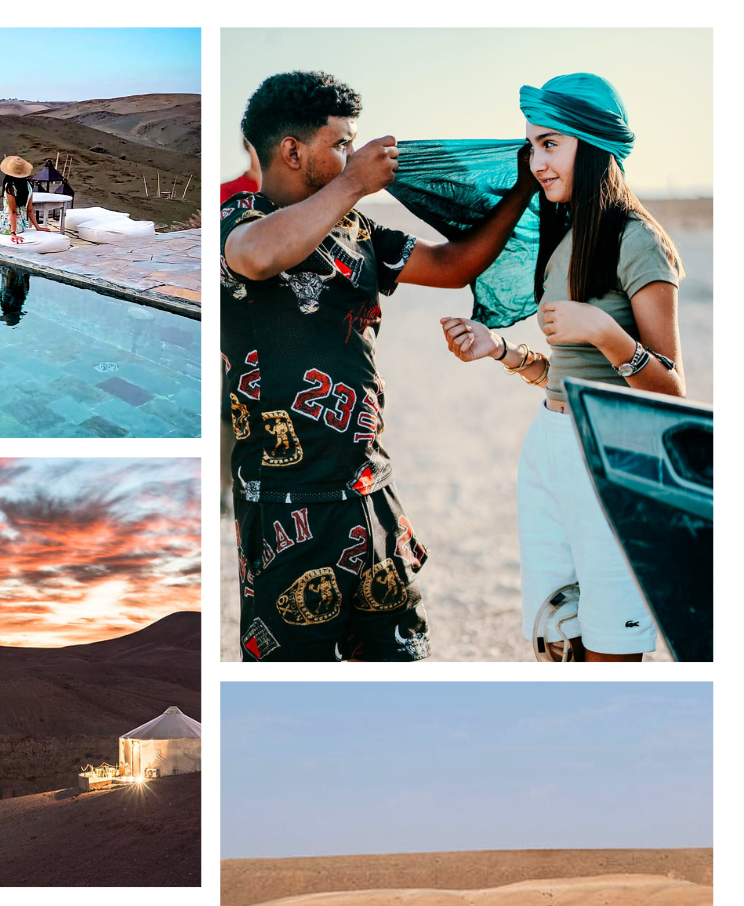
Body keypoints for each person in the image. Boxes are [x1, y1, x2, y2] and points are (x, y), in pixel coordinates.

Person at [221, 70, 538, 662]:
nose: (350, 155)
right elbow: (260, 255)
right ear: (291, 150)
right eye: (340, 143)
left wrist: (520, 190)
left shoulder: (358, 229)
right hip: (286, 501)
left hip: (370, 490)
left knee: (398, 664)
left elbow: (452, 264)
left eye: (351, 145)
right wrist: (355, 181)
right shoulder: (238, 220)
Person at [441, 73, 685, 662]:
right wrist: (499, 350)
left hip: (610, 452)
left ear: (594, 148)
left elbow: (672, 389)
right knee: (559, 638)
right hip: (548, 447)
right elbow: (567, 372)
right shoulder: (565, 237)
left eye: (551, 143)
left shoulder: (638, 242)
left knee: (610, 644)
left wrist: (605, 332)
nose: (536, 161)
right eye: (531, 145)